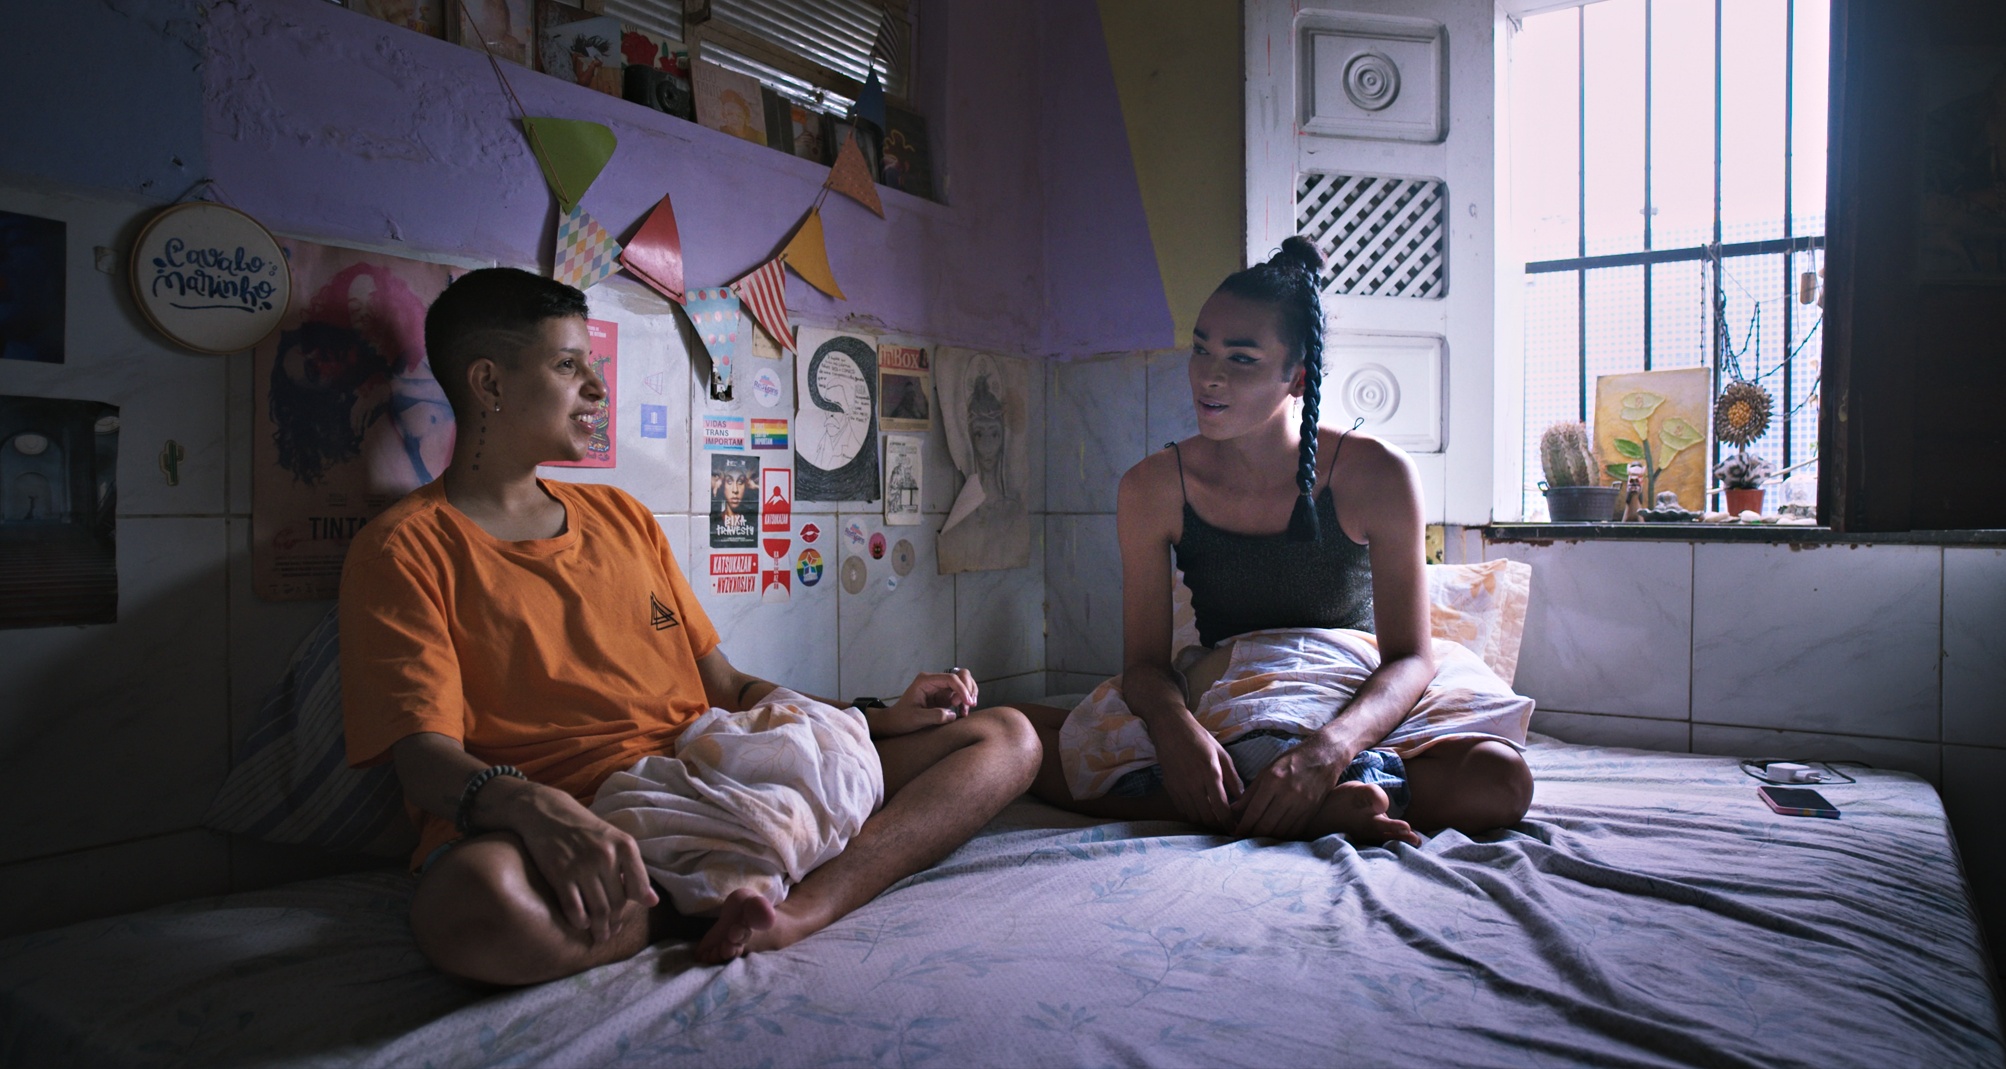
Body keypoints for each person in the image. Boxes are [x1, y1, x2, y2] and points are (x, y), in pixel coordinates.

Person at [339, 267, 1040, 986]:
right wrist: (535, 809)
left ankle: (801, 907)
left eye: (592, 365)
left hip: (714, 774)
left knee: (1007, 738)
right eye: (569, 365)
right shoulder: (404, 549)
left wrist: (876, 717)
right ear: (488, 383)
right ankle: (697, 898)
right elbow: (424, 758)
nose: (597, 388)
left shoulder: (622, 517)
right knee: (469, 904)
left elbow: (727, 687)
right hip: (577, 817)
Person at [1023, 237, 1533, 843]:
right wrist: (1177, 733)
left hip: (1349, 688)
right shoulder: (1151, 487)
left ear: (1298, 378)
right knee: (1022, 740)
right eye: (1201, 349)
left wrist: (1328, 751)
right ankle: (1318, 810)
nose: (1209, 376)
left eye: (1241, 358)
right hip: (1228, 688)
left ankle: (1303, 792)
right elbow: (1144, 667)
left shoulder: (1378, 474)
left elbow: (1410, 658)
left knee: (1500, 781)